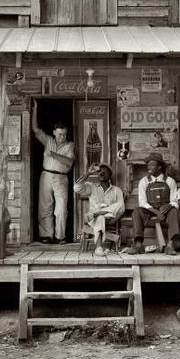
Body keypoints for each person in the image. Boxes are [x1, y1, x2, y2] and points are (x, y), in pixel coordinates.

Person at [32, 101, 75, 244]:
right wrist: (35, 108)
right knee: (45, 207)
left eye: (64, 134)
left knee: (61, 208)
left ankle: (60, 236)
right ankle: (47, 235)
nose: (62, 137)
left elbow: (69, 162)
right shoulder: (49, 140)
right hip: (46, 175)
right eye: (60, 134)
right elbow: (35, 129)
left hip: (61, 177)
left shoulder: (70, 145)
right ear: (54, 133)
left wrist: (54, 155)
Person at [126, 152, 180, 255]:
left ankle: (170, 245)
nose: (148, 167)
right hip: (150, 210)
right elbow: (142, 202)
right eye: (148, 164)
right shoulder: (144, 181)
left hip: (165, 210)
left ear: (159, 167)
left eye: (152, 164)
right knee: (137, 211)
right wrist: (156, 212)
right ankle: (138, 244)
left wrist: (169, 205)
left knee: (175, 212)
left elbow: (175, 201)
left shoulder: (170, 181)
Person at [74, 163, 125, 256]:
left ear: (110, 175)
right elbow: (77, 188)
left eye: (104, 172)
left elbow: (121, 208)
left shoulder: (117, 190)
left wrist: (115, 219)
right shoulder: (91, 187)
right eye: (99, 172)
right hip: (93, 219)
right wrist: (88, 174)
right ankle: (99, 248)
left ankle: (97, 213)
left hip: (108, 217)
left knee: (119, 204)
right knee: (100, 217)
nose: (101, 173)